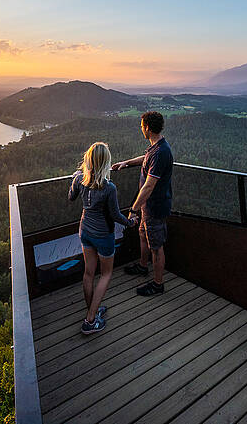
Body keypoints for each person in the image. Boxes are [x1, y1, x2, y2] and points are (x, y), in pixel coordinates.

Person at [69, 141, 131, 334]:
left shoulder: (79, 178)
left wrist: (73, 179)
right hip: (103, 235)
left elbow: (71, 197)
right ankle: (90, 321)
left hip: (85, 231)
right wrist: (131, 222)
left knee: (88, 273)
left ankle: (93, 312)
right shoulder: (109, 187)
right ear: (106, 162)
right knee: (105, 274)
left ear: (88, 160)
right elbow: (115, 215)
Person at [113, 111, 173, 297]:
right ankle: (142, 266)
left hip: (155, 207)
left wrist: (133, 209)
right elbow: (145, 159)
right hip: (148, 208)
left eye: (141, 126)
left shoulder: (161, 152)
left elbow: (148, 186)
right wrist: (127, 162)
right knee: (143, 235)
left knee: (156, 246)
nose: (141, 129)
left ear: (147, 127)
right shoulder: (155, 147)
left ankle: (158, 284)